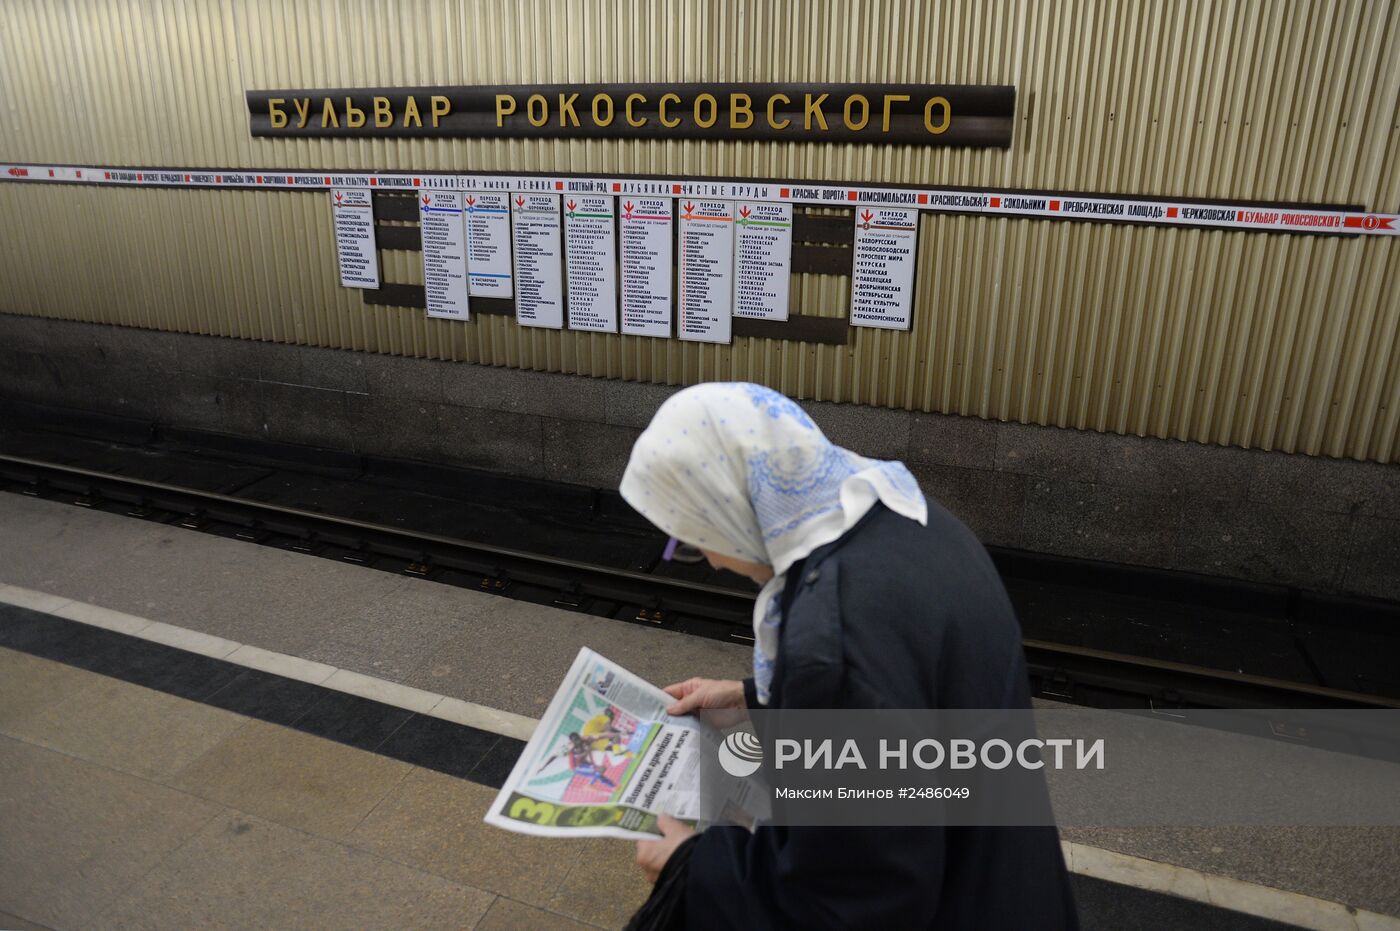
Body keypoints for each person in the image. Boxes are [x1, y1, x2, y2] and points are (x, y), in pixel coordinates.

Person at [618, 382, 1078, 930]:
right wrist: (757, 699)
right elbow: (900, 706)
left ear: (733, 507)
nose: (714, 562)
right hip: (1003, 883)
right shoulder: (906, 516)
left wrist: (689, 869)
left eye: (693, 540)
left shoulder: (834, 638)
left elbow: (848, 902)